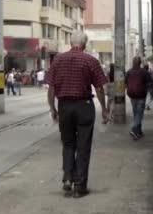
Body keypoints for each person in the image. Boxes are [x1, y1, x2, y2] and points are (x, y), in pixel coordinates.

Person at [46, 31, 108, 198]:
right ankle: (79, 186)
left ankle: (68, 176)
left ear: (71, 43)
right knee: (83, 146)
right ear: (85, 44)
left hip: (65, 106)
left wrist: (53, 109)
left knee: (67, 144)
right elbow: (100, 88)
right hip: (84, 106)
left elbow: (51, 88)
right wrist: (104, 109)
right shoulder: (91, 60)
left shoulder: (57, 60)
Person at [125, 56, 152, 140]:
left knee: (136, 113)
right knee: (139, 114)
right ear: (140, 63)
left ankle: (139, 132)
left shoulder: (129, 72)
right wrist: (146, 88)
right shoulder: (144, 72)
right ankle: (134, 129)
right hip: (141, 95)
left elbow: (125, 82)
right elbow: (150, 82)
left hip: (132, 95)